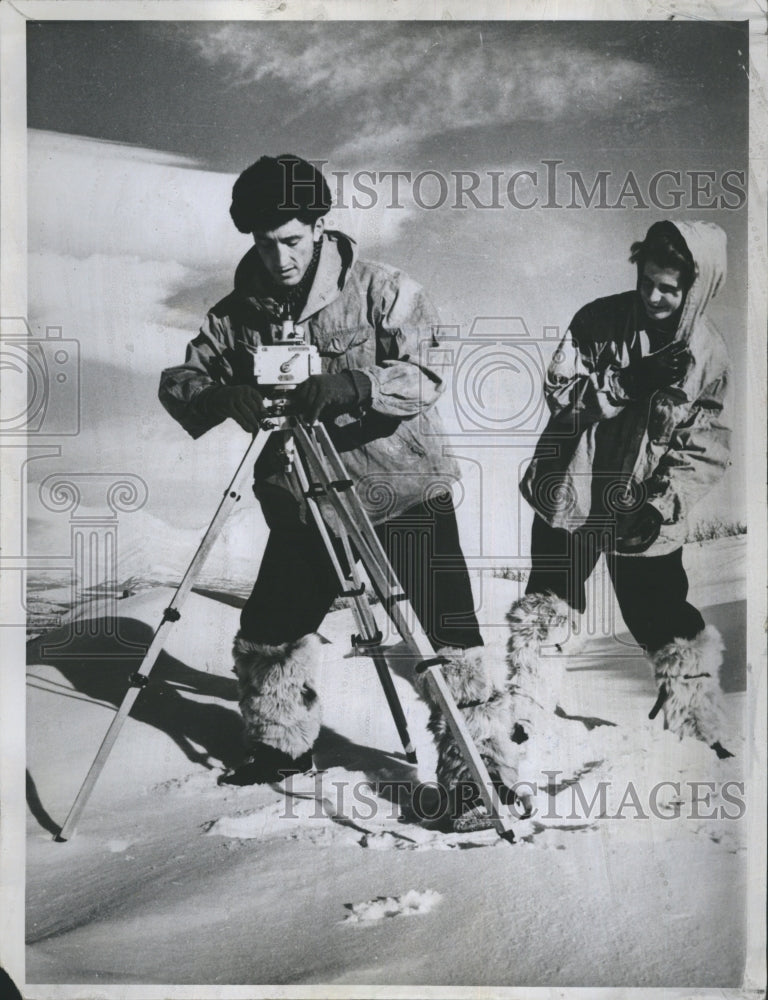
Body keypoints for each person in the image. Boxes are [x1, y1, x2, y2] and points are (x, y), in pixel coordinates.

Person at [159, 155, 519, 814]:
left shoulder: (383, 289)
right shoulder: (236, 316)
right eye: (265, 245)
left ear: (320, 225)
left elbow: (428, 369)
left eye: (292, 240)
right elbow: (181, 381)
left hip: (400, 487)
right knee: (270, 628)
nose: (281, 258)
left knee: (446, 636)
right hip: (304, 503)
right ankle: (281, 744)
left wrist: (356, 384)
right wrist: (224, 397)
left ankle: (480, 771)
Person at [515, 220, 733, 757]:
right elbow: (559, 394)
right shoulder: (597, 320)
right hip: (573, 491)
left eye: (669, 288)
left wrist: (659, 508)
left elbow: (702, 445)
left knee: (664, 620)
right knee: (548, 606)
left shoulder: (709, 353)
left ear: (695, 289)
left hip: (642, 507)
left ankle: (702, 733)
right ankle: (524, 720)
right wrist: (627, 382)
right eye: (647, 282)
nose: (655, 297)